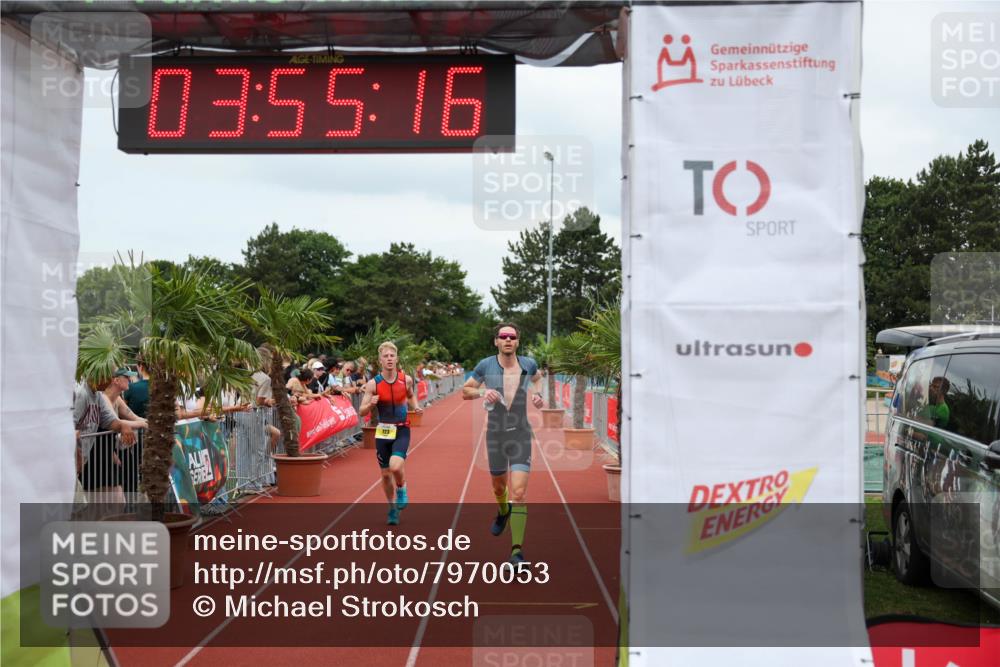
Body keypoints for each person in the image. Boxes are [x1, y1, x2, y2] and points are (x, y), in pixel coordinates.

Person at [462, 322, 544, 567]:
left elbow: (538, 378)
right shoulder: (485, 365)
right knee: (499, 487)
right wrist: (482, 393)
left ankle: (516, 551)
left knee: (519, 493)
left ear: (518, 341)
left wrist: (538, 394)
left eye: (512, 336)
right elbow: (466, 391)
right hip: (495, 435)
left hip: (520, 433)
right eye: (503, 336)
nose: (508, 340)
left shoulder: (528, 364)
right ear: (496, 341)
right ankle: (502, 510)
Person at [359, 341, 421, 526]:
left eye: (392, 356)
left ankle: (401, 488)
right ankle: (392, 507)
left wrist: (416, 406)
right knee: (385, 474)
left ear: (397, 359)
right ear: (380, 360)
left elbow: (410, 395)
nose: (389, 359)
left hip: (401, 429)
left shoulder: (406, 380)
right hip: (383, 431)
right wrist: (370, 404)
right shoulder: (373, 384)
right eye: (385, 356)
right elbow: (361, 411)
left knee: (395, 466)